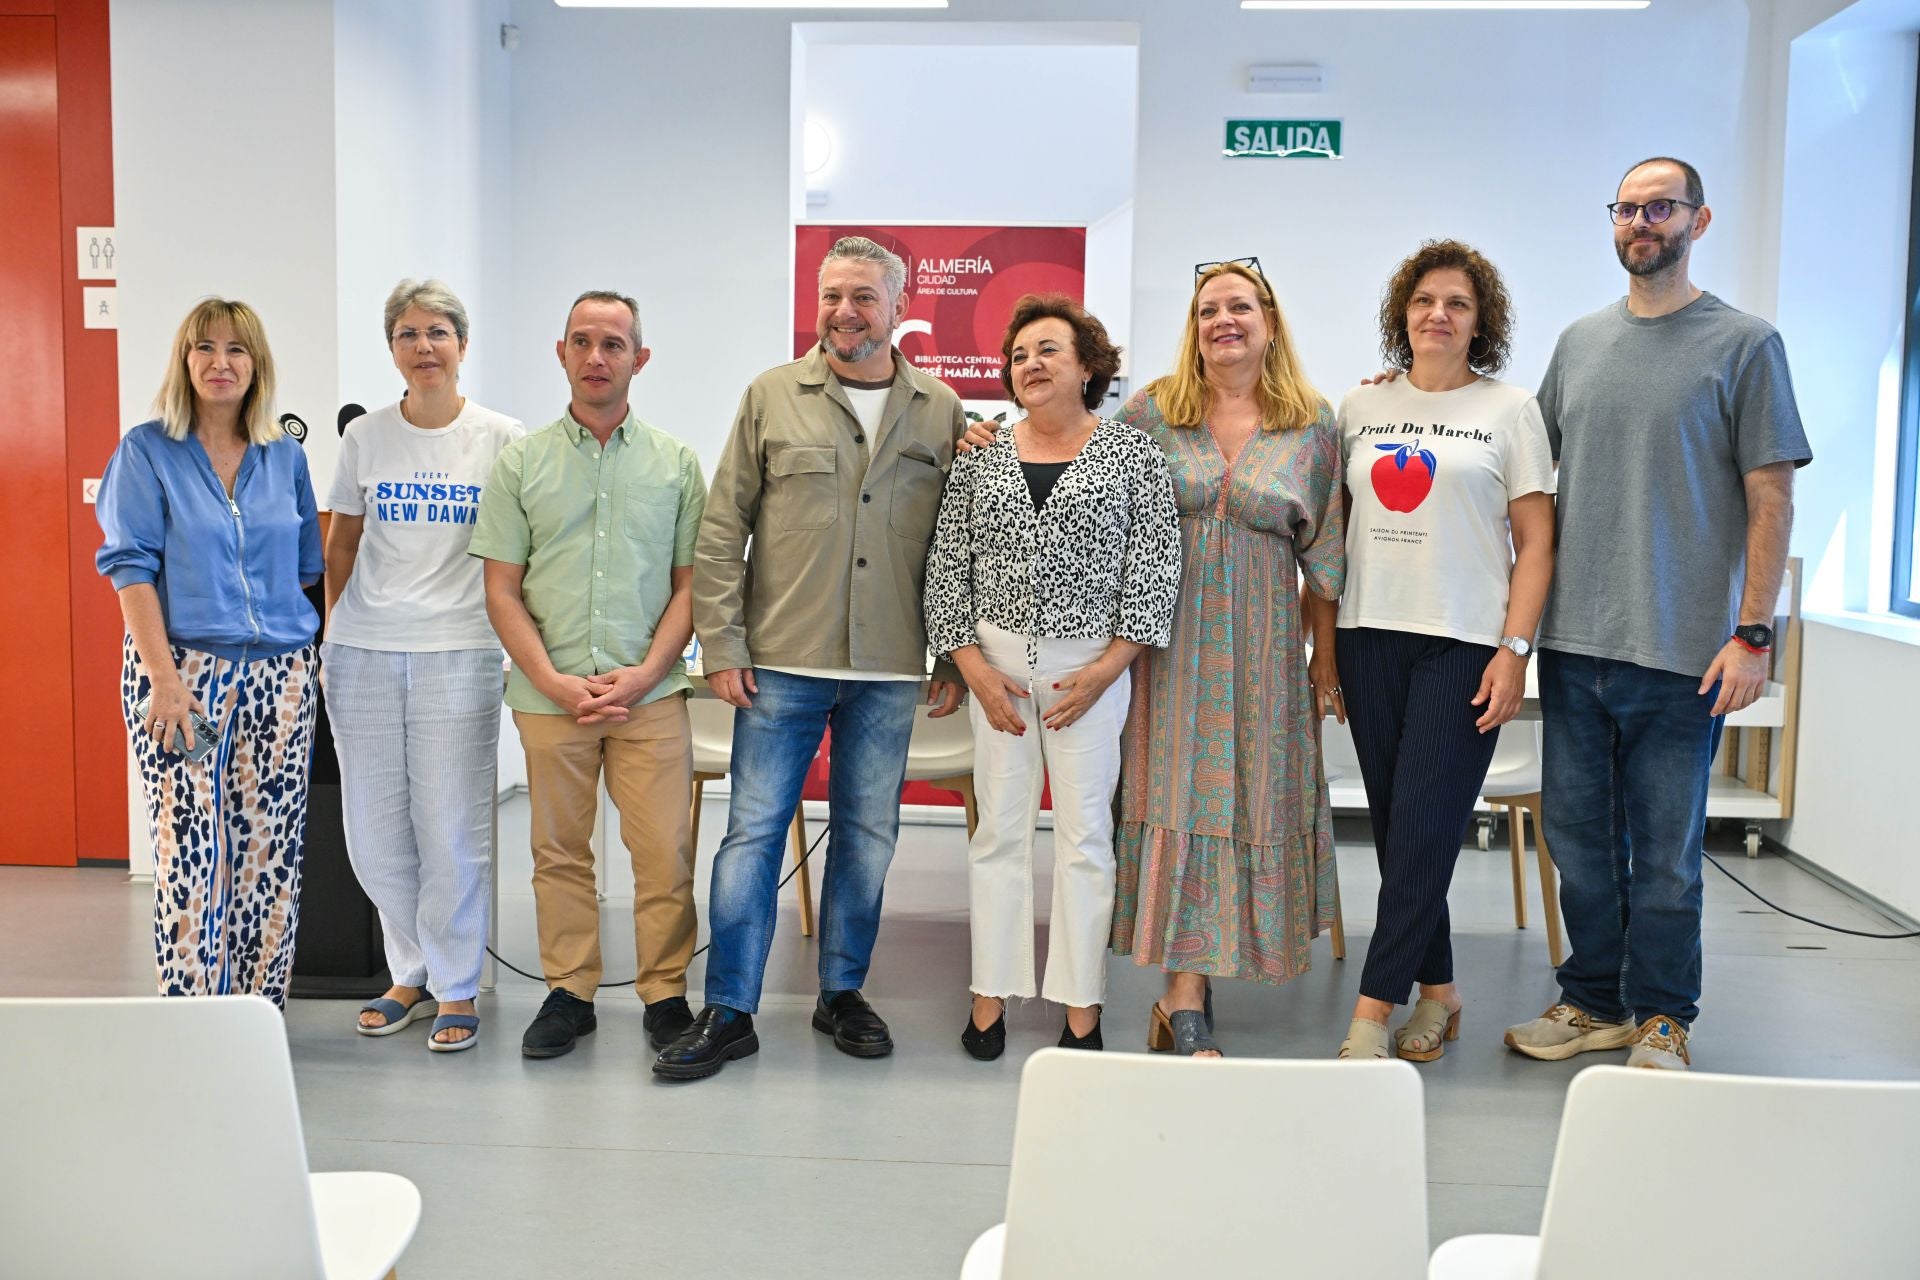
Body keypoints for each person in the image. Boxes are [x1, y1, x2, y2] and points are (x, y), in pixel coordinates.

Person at [1503, 157, 1811, 1071]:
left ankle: (1664, 1015)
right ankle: (1593, 997)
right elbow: (1522, 467)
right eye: (1628, 209)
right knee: (1580, 841)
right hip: (1573, 644)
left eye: (1661, 208)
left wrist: (1754, 634)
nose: (1643, 222)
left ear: (1698, 221)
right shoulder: (1579, 343)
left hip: (1686, 653)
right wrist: (1420, 392)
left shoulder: (1745, 344)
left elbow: (1771, 499)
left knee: (1669, 856)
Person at [663, 236, 985, 1081]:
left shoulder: (941, 409)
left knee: (869, 837)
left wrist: (951, 657)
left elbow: (961, 544)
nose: (846, 312)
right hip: (781, 661)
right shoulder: (772, 396)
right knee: (752, 835)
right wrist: (722, 642)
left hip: (888, 669)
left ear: (900, 308)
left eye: (864, 298)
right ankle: (730, 1008)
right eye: (833, 295)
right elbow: (723, 526)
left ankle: (842, 992)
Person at [1306, 241, 1556, 1062]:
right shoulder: (1360, 406)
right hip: (1369, 634)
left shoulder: (1511, 409)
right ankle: (1441, 995)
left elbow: (1536, 543)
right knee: (1401, 832)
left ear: (1480, 322)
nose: (1437, 314)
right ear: (1401, 315)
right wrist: (1326, 648)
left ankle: (1370, 1016)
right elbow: (1332, 538)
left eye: (1457, 303)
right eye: (1423, 300)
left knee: (1420, 831)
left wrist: (1515, 650)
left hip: (1463, 646)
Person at [925, 295, 1180, 1059]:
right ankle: (989, 994)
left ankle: (1081, 1004)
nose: (1029, 365)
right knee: (997, 834)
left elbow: (1155, 568)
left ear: (1088, 366)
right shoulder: (982, 454)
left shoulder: (1132, 455)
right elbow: (947, 567)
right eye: (1019, 355)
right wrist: (972, 668)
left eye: (1047, 351)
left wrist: (1107, 670)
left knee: (1084, 840)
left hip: (1088, 674)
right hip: (997, 670)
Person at [1109, 260, 1346, 1057]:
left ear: (1270, 322)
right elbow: (1081, 483)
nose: (1224, 321)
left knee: (1249, 799)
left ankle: (1227, 961)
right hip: (1164, 649)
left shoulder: (1312, 423)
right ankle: (1183, 996)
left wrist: (1325, 664)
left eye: (1240, 307)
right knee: (1178, 798)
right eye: (1208, 310)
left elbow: (1329, 558)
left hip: (1267, 652)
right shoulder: (1149, 414)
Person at [469, 290, 708, 1060]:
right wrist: (553, 679)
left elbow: (691, 586)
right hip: (551, 697)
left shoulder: (675, 463)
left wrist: (644, 674)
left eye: (614, 344)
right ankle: (569, 992)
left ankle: (665, 995)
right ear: (562, 353)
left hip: (652, 696)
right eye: (583, 342)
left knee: (664, 852)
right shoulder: (522, 463)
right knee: (558, 852)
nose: (597, 357)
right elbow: (501, 588)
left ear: (640, 358)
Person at [95, 298, 322, 1007]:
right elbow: (129, 567)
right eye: (205, 348)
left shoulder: (285, 455)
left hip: (280, 677)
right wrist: (162, 679)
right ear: (184, 359)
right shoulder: (146, 450)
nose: (220, 363)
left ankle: (257, 1018)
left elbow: (308, 566)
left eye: (237, 350)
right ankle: (195, 1023)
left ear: (257, 365)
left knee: (270, 854)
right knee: (192, 851)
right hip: (184, 676)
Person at [322, 279, 523, 1052]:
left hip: (459, 652)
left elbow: (520, 550)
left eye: (438, 332)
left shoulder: (502, 436)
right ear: (393, 349)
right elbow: (342, 540)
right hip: (364, 653)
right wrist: (338, 625)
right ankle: (408, 970)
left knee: (451, 827)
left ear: (462, 346)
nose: (424, 347)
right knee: (373, 832)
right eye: (407, 334)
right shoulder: (367, 436)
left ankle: (457, 984)